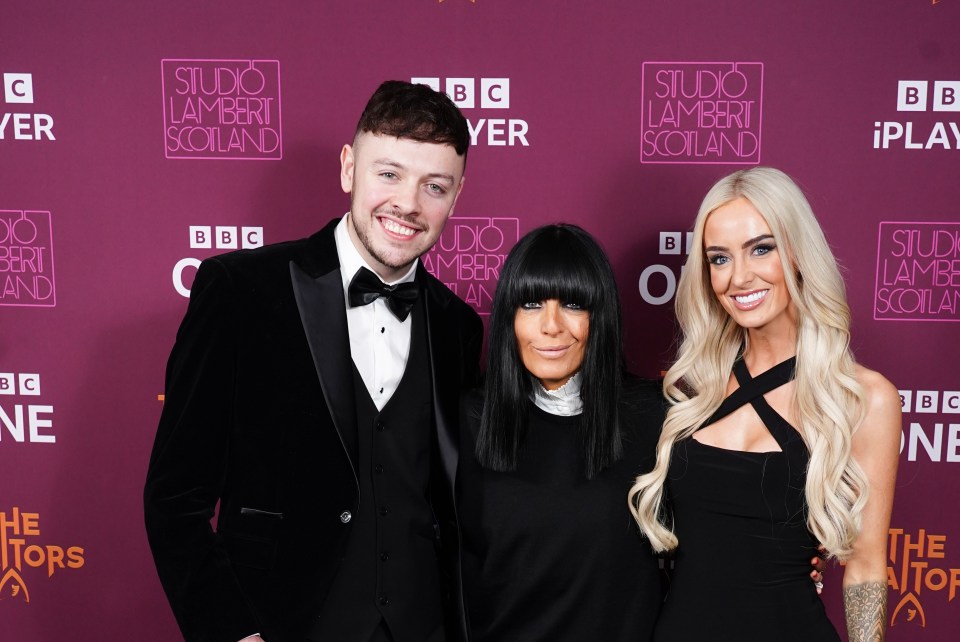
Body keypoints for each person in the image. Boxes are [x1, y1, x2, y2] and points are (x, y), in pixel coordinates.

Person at [144, 81, 483, 642]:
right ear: (350, 168)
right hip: (280, 626)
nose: (408, 204)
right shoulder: (240, 291)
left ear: (457, 195)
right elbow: (174, 498)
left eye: (435, 186)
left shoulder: (458, 327)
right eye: (389, 174)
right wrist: (231, 630)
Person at [629, 167, 901, 641]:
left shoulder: (861, 397)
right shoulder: (688, 390)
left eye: (761, 248)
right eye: (719, 259)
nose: (738, 277)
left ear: (796, 251)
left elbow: (865, 570)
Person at [457, 224, 665, 641]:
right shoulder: (466, 420)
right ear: (508, 319)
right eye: (531, 304)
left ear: (599, 315)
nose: (551, 326)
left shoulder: (656, 416)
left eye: (572, 303)